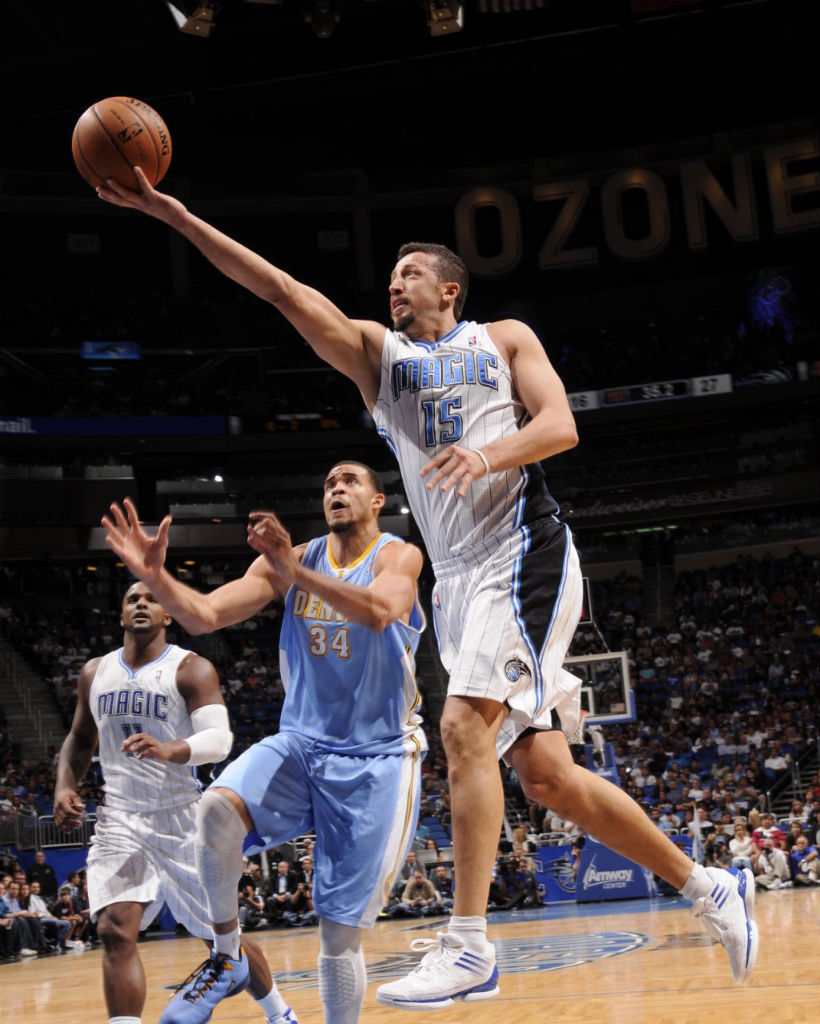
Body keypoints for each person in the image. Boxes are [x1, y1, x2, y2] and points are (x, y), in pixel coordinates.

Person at [96, 171, 758, 1001]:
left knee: (459, 727)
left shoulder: (504, 339)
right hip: (461, 584)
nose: (393, 286)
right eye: (390, 279)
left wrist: (486, 453)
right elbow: (278, 289)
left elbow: (561, 425)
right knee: (547, 776)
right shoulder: (382, 359)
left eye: (409, 275)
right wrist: (172, 212)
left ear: (449, 287)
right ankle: (709, 887)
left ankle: (470, 942)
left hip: (523, 551)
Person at [101, 461, 426, 1024]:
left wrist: (293, 570)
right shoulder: (288, 561)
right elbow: (203, 616)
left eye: (349, 481)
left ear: (377, 502)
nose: (336, 489)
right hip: (302, 745)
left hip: (378, 759)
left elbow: (378, 612)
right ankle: (227, 955)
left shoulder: (398, 555)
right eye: (327, 484)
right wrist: (157, 578)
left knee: (338, 936)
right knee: (215, 812)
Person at [53, 581, 292, 1024]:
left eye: (151, 598)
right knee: (113, 929)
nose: (142, 603)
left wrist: (172, 748)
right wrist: (64, 785)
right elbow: (79, 740)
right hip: (120, 819)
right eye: (131, 599)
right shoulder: (94, 673)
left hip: (182, 818)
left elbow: (219, 741)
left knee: (222, 940)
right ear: (121, 616)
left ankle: (280, 1014)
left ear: (167, 616)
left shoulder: (191, 668)